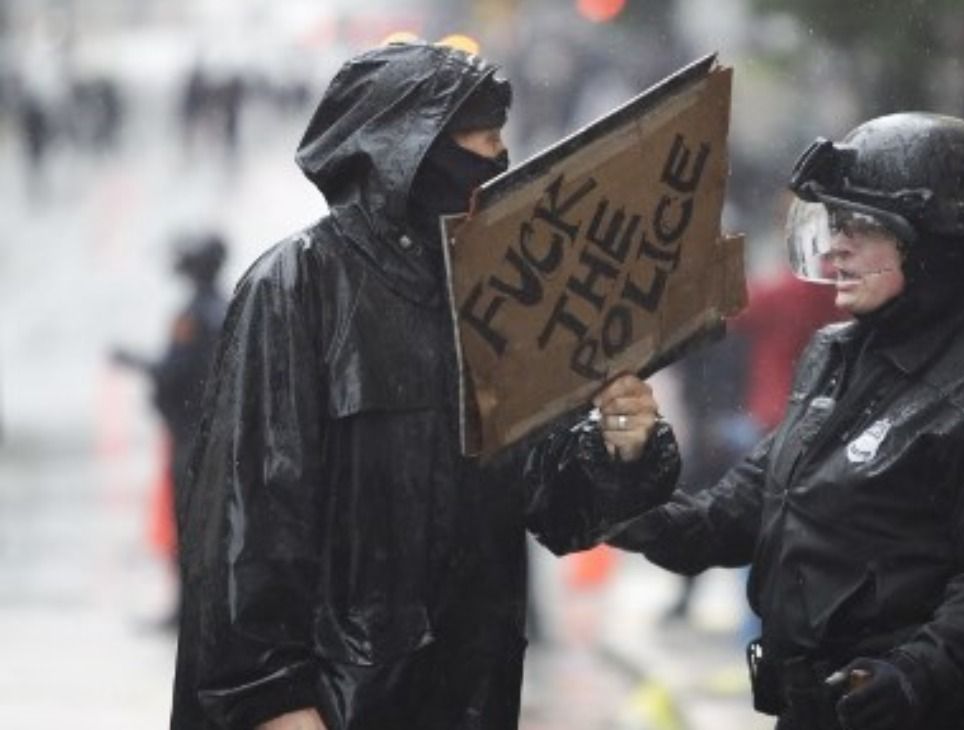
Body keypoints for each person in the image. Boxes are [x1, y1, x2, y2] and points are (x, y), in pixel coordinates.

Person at [169, 42, 678, 730]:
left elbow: (552, 503)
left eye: (502, 134)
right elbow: (250, 519)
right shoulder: (298, 286)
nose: (499, 156)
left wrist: (622, 447)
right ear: (410, 147)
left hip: (470, 696)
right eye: (481, 134)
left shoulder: (498, 296)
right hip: (332, 706)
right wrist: (273, 702)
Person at [609, 113, 964, 730]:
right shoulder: (832, 356)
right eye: (834, 226)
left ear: (934, 245)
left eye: (862, 229)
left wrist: (910, 678)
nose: (835, 248)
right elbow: (726, 520)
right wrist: (617, 484)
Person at [113, 233, 231, 591]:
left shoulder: (192, 316)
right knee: (211, 522)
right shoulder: (226, 307)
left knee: (188, 520)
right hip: (218, 431)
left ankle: (186, 606)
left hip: (189, 433)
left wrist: (130, 360)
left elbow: (172, 370)